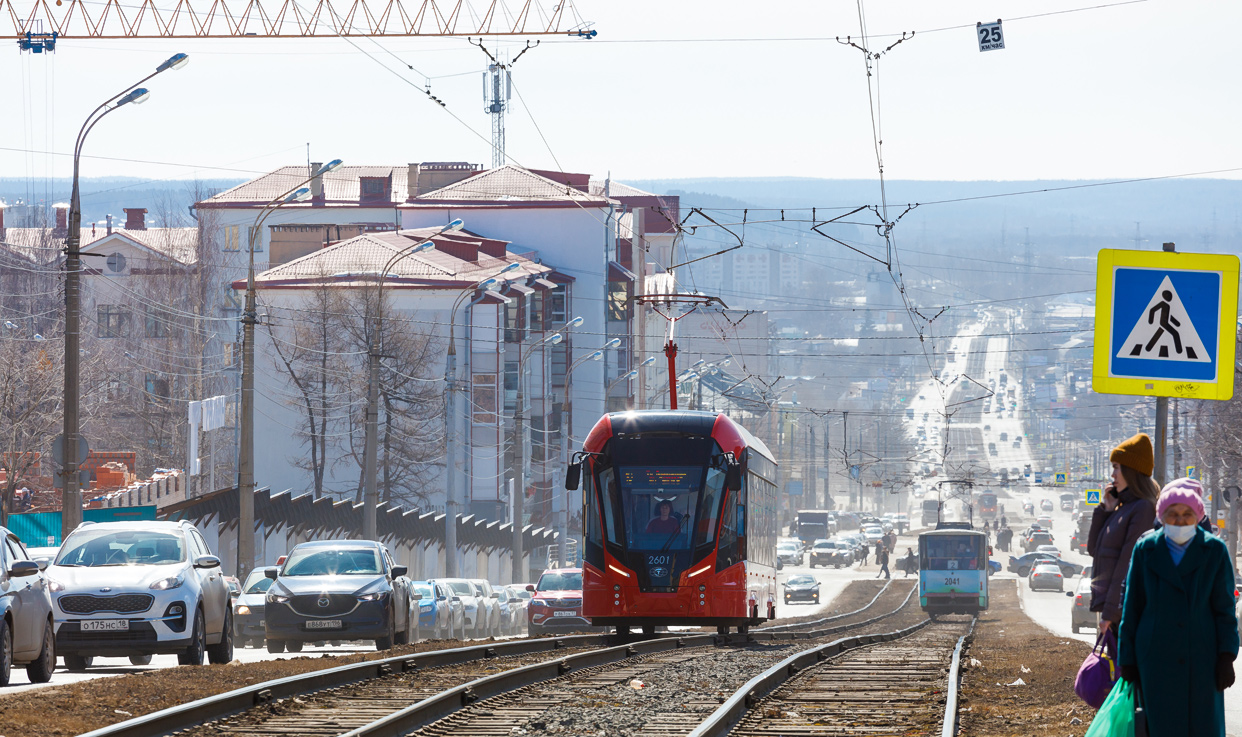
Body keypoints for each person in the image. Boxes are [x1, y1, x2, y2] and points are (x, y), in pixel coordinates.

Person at [1118, 479, 1239, 736]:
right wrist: (1127, 660)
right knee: (1159, 725)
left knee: (1203, 726)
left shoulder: (1214, 551)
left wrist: (1227, 656)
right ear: (1162, 517)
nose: (1180, 521)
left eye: (1187, 515)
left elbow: (1225, 610)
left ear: (1198, 517)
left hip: (1203, 659)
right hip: (1154, 659)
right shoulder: (1146, 550)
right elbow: (1132, 607)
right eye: (1173, 514)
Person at [1088, 433, 1159, 634]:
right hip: (1115, 612)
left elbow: (1127, 565)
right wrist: (1105, 510)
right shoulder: (1123, 509)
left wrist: (1111, 613)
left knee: (1120, 665)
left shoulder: (1143, 508)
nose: (1112, 475)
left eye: (1116, 468)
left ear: (1131, 471)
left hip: (1125, 614)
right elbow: (1094, 549)